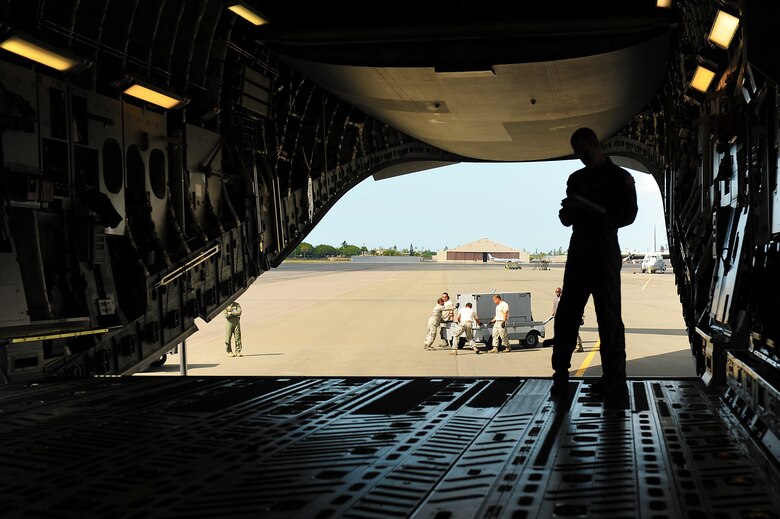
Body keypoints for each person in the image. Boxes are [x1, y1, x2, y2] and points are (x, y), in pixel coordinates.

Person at [551, 127, 638, 396]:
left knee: (608, 317)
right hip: (581, 249)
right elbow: (566, 218)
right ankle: (561, 373)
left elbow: (627, 215)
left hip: (603, 249)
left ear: (594, 143)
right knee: (567, 314)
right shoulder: (576, 178)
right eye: (577, 153)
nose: (580, 156)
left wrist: (593, 210)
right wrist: (571, 211)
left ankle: (614, 377)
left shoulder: (620, 178)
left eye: (583, 150)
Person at [551, 287, 583, 352]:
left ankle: (580, 347)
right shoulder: (555, 299)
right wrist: (553, 313)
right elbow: (554, 307)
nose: (557, 293)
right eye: (556, 292)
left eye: (558, 292)